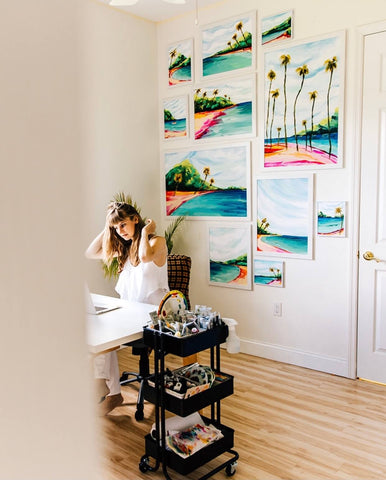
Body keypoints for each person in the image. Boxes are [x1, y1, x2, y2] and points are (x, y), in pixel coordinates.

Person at [86, 201, 169, 415]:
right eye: (116, 228)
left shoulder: (157, 242)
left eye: (122, 224)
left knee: (106, 332)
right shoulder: (124, 249)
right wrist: (109, 225)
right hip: (129, 314)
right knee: (101, 330)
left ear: (135, 218)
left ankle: (110, 389)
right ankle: (112, 392)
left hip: (155, 316)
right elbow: (90, 252)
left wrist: (145, 230)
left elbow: (144, 257)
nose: (120, 231)